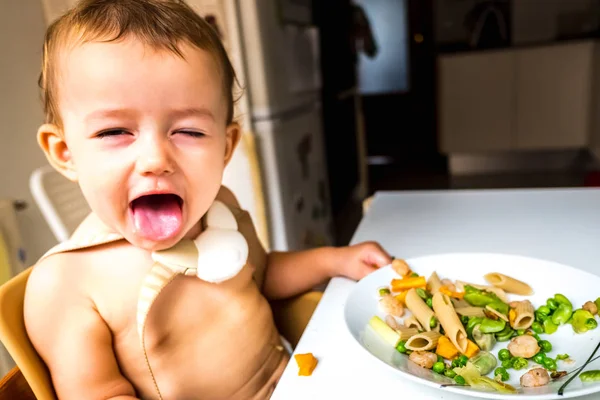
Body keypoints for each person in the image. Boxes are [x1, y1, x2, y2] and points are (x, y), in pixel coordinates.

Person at [23, 1, 393, 399]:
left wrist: (335, 260)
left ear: (226, 146)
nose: (155, 160)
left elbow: (263, 275)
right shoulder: (65, 285)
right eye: (115, 131)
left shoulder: (222, 211)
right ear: (64, 152)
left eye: (189, 131)